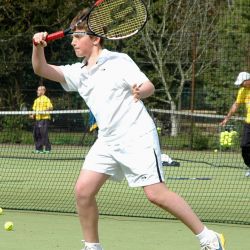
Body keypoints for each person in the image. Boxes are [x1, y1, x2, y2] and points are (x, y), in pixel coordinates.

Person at [32, 8, 225, 250]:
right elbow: (41, 69)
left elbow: (148, 85)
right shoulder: (78, 73)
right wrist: (37, 46)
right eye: (71, 37)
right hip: (107, 141)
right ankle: (92, 246)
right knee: (83, 191)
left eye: (77, 36)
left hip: (136, 136)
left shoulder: (118, 61)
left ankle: (208, 237)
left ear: (95, 38)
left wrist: (141, 91)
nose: (72, 42)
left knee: (155, 194)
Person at [220, 72, 250, 177]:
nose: (241, 85)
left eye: (242, 83)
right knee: (244, 146)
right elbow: (235, 106)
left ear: (247, 80)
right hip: (248, 124)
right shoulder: (242, 91)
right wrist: (226, 119)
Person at [30, 85, 53, 153]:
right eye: (37, 90)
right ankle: (38, 149)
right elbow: (34, 110)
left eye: (39, 90)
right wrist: (32, 115)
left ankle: (47, 149)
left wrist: (44, 111)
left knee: (44, 134)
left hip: (44, 119)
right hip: (37, 119)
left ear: (43, 91)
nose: (37, 91)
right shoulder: (36, 100)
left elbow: (51, 108)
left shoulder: (47, 99)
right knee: (36, 134)